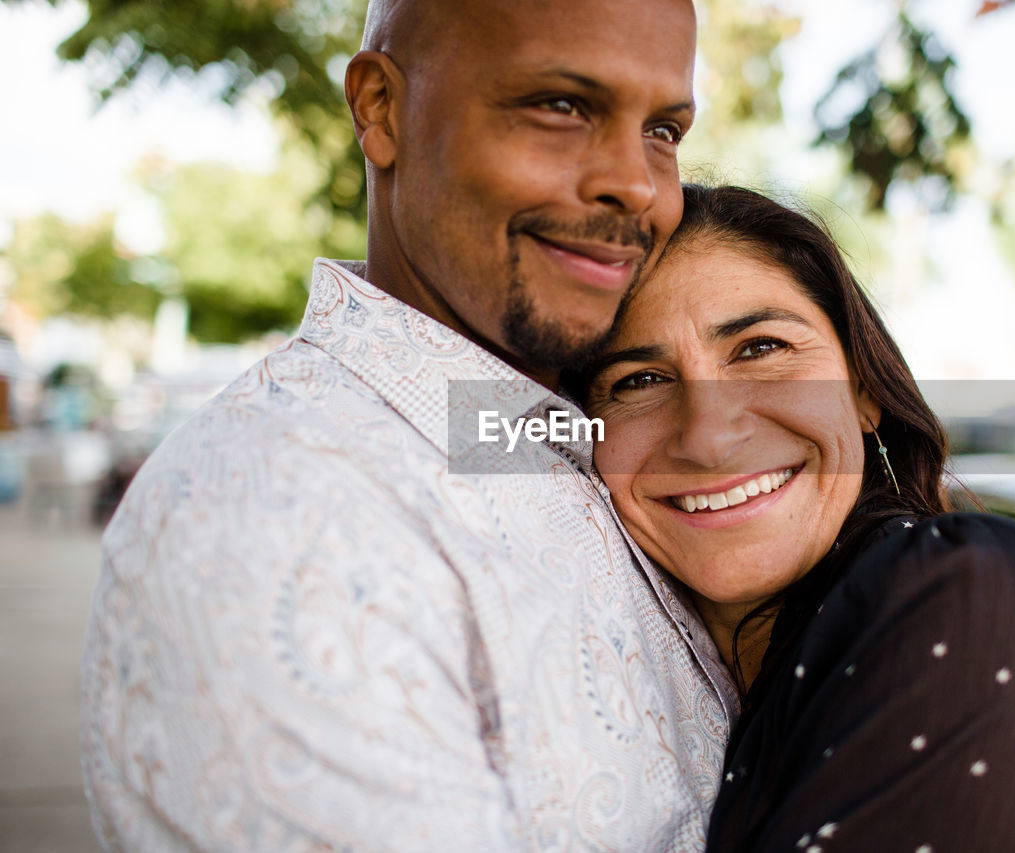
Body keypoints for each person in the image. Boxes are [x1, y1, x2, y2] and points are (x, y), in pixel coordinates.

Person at [80, 2, 740, 850]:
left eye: (662, 129)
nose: (638, 185)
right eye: (561, 106)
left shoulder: (580, 439)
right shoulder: (273, 517)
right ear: (380, 108)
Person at [579, 184, 1015, 851]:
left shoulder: (967, 591)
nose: (709, 435)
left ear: (865, 392)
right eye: (636, 381)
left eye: (760, 348)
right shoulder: (664, 694)